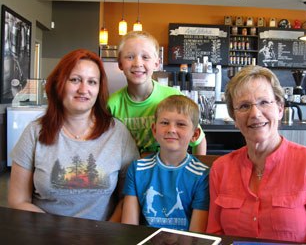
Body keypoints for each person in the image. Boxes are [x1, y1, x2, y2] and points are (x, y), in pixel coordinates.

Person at [206, 65, 306, 244]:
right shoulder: (221, 168)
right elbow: (215, 237)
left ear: (280, 109)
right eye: (244, 106)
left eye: (264, 102)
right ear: (234, 118)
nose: (255, 114)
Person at [8, 49, 139, 221]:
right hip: (46, 236)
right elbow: (18, 200)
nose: (83, 89)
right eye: (75, 80)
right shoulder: (35, 132)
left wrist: (105, 233)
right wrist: (58, 233)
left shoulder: (118, 133)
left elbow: (127, 199)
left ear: (99, 89)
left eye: (92, 82)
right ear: (59, 83)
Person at [107, 31, 206, 155]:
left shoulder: (173, 97)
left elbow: (198, 140)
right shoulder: (112, 105)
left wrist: (198, 170)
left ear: (157, 64)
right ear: (120, 64)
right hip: (129, 173)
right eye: (130, 57)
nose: (138, 63)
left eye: (145, 57)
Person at [120, 95, 209, 232]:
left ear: (195, 135)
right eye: (165, 123)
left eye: (181, 124)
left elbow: (197, 235)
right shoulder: (137, 170)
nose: (171, 129)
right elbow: (129, 228)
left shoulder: (202, 175)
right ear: (154, 130)